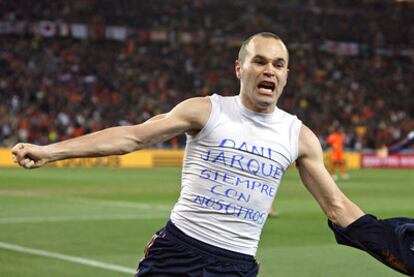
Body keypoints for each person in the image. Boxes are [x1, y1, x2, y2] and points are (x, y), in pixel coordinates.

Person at [12, 32, 414, 276]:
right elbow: (132, 137)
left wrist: (398, 245)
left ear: (287, 75)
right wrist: (51, 151)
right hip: (177, 252)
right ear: (240, 68)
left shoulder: (299, 136)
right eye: (259, 61)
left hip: (235, 266)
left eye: (279, 64)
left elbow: (339, 209)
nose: (269, 70)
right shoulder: (205, 110)